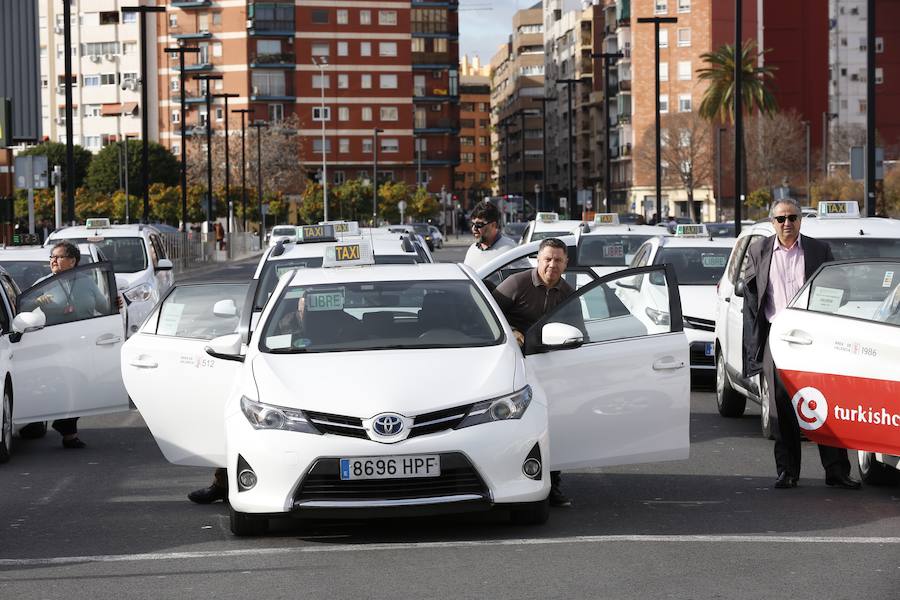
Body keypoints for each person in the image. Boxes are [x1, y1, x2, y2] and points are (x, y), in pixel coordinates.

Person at [742, 198, 860, 490]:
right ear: (772, 223)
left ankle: (836, 471)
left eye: (792, 218)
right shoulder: (759, 250)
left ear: (800, 220)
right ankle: (787, 472)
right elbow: (751, 298)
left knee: (824, 403)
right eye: (781, 219)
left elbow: (838, 289)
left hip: (814, 338)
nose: (787, 224)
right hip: (778, 336)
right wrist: (754, 346)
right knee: (781, 408)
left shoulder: (819, 250)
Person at [491, 237, 576, 507]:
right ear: (537, 260)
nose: (552, 264)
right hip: (512, 367)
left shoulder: (568, 293)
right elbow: (487, 315)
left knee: (552, 427)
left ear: (566, 263)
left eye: (558, 260)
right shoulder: (516, 284)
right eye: (547, 259)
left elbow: (579, 330)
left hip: (551, 368)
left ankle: (553, 484)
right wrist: (510, 331)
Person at [25, 241, 115, 448]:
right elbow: (23, 308)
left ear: (72, 261)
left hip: (82, 344)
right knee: (54, 386)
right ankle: (40, 421)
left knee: (79, 387)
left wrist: (115, 305)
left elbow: (103, 307)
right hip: (54, 344)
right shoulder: (43, 283)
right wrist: (37, 301)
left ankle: (68, 431)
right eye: (51, 257)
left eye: (58, 257)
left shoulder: (87, 282)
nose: (53, 261)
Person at [463, 201, 519, 269]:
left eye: (478, 225)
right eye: (472, 224)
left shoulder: (510, 248)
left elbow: (523, 276)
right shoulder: (472, 249)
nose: (474, 228)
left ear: (493, 225)